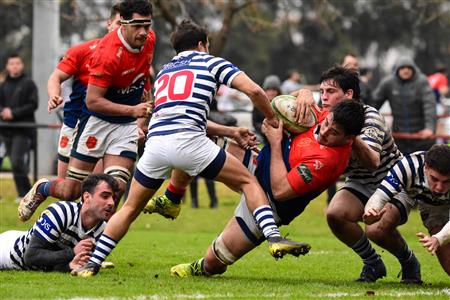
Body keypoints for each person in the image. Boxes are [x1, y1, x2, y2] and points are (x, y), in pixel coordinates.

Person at [71, 19, 308, 277]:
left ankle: (92, 263)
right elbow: (254, 90)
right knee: (248, 183)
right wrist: (272, 119)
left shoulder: (163, 72)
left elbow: (180, 115)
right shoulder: (211, 62)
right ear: (201, 44)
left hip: (156, 145)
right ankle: (274, 238)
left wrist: (230, 131)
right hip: (190, 142)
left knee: (128, 208)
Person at [169, 100, 365, 277]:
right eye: (328, 123)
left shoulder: (328, 161)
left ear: (349, 139)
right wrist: (301, 95)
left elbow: (279, 190)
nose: (325, 131)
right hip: (256, 164)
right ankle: (172, 198)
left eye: (334, 133)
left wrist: (274, 141)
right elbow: (286, 103)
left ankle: (199, 267)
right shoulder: (324, 116)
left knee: (215, 262)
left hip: (271, 204)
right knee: (194, 143)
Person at [18, 0, 155, 221]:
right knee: (71, 192)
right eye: (137, 26)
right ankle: (44, 188)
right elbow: (90, 101)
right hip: (89, 123)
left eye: (147, 26)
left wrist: (140, 114)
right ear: (115, 24)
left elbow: (141, 78)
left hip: (123, 126)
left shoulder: (149, 40)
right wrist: (54, 94)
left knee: (112, 192)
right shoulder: (102, 54)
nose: (143, 32)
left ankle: (90, 249)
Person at [294, 65, 420, 283]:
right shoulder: (324, 116)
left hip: (393, 181)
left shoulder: (369, 117)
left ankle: (408, 260)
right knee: (335, 214)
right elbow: (281, 102)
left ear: (349, 94)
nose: (324, 97)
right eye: (322, 92)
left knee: (376, 229)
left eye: (330, 92)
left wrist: (350, 136)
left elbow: (372, 162)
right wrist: (303, 93)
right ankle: (373, 263)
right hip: (359, 182)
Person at [47, 4, 121, 178]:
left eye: (127, 25)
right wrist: (54, 95)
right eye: (119, 23)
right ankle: (43, 189)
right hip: (75, 122)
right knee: (64, 188)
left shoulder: (134, 57)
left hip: (105, 125)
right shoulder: (83, 50)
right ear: (109, 24)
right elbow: (55, 77)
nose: (122, 29)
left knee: (98, 187)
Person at [0, 174, 120, 272]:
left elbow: (57, 265)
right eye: (105, 196)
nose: (111, 203)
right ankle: (43, 187)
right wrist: (72, 253)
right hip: (6, 250)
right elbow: (30, 257)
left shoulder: (104, 230)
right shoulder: (61, 212)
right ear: (87, 197)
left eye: (113, 198)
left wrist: (70, 266)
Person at [364, 144, 450, 276]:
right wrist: (371, 211)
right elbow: (380, 195)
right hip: (408, 192)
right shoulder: (407, 166)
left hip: (440, 206)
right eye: (435, 179)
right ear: (426, 167)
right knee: (375, 229)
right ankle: (408, 260)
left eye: (446, 182)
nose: (439, 187)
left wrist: (438, 238)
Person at [372, 56, 436, 154]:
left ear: (413, 69)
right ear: (397, 69)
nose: (406, 70)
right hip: (399, 136)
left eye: (409, 68)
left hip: (421, 136)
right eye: (402, 68)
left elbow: (429, 105)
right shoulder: (388, 83)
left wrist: (429, 128)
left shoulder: (422, 81)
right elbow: (374, 103)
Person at [0, 54, 38, 201]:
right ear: (8, 66)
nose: (15, 66)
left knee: (16, 162)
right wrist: (3, 112)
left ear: (21, 65)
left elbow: (33, 104)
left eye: (17, 63)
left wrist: (13, 113)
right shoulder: (3, 85)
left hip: (22, 131)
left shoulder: (29, 84)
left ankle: (25, 194)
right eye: (12, 63)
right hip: (4, 130)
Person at [252, 75, 282, 141]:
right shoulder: (258, 104)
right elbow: (255, 123)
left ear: (278, 91)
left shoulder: (282, 104)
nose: (271, 92)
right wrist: (263, 128)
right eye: (268, 89)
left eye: (274, 90)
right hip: (264, 134)